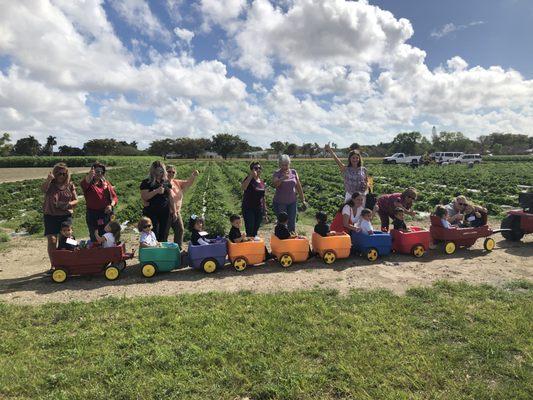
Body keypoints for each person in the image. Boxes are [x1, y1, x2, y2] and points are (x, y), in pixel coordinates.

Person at [42, 163, 78, 264]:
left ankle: (71, 260)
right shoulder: (50, 184)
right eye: (59, 173)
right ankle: (54, 264)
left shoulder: (70, 185)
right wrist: (49, 179)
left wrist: (67, 204)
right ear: (55, 173)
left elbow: (76, 200)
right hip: (51, 215)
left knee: (68, 238)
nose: (61, 176)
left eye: (64, 174)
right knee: (52, 240)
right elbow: (43, 189)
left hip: (65, 216)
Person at [81, 162, 118, 242]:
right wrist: (90, 175)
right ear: (92, 172)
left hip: (106, 213)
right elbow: (85, 183)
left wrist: (111, 205)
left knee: (109, 235)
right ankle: (97, 252)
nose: (100, 173)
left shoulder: (106, 183)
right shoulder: (88, 184)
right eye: (97, 171)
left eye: (102, 172)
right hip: (93, 214)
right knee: (96, 236)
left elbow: (114, 197)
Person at [272, 155, 307, 233]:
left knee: (292, 222)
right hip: (280, 202)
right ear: (279, 164)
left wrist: (303, 199)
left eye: (286, 164)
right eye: (282, 165)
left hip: (292, 202)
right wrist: (283, 178)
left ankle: (291, 239)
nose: (284, 167)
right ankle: (281, 239)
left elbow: (298, 186)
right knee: (282, 223)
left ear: (289, 164)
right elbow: (275, 184)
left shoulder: (293, 172)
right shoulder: (277, 173)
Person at [166, 165, 199, 247]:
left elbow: (188, 183)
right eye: (169, 171)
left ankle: (178, 249)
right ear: (165, 172)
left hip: (176, 212)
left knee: (180, 230)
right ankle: (163, 251)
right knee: (165, 232)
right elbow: (170, 198)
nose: (171, 173)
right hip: (166, 212)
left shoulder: (175, 182)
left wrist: (193, 176)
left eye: (173, 172)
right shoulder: (164, 183)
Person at [140, 161, 172, 241]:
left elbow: (170, 197)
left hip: (165, 211)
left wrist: (174, 210)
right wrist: (156, 191)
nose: (160, 173)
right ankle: (154, 251)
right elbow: (145, 197)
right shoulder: (146, 182)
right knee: (153, 233)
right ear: (153, 171)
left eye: (162, 170)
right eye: (158, 170)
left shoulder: (166, 181)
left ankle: (162, 250)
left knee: (164, 232)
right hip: (151, 212)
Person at [241, 161, 267, 237]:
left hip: (258, 208)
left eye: (259, 168)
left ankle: (253, 245)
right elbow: (243, 187)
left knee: (256, 229)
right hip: (248, 208)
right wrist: (250, 176)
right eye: (255, 168)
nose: (258, 170)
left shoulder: (261, 182)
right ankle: (249, 245)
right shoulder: (249, 179)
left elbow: (263, 197)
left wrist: (265, 211)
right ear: (252, 170)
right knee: (250, 228)